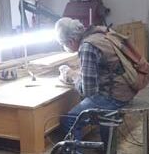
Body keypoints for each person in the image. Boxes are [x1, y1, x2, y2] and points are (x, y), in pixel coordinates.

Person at [55, 17, 138, 152]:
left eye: (64, 44)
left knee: (69, 119)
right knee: (104, 118)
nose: (65, 47)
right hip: (126, 88)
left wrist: (71, 76)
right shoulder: (98, 33)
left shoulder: (87, 46)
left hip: (114, 96)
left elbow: (88, 91)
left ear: (70, 41)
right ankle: (108, 149)